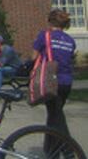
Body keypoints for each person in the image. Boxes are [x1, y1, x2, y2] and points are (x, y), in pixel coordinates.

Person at [32, 9, 76, 152]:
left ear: (50, 21)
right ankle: (50, 150)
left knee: (57, 116)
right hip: (66, 82)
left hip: (51, 81)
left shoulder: (44, 36)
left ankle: (69, 150)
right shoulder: (70, 41)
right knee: (53, 114)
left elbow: (34, 57)